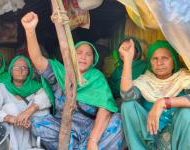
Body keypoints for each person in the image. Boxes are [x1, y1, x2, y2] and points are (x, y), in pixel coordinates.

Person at [21, 12, 125, 150]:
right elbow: (38, 60)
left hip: (91, 130)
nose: (83, 57)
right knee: (36, 123)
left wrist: (92, 141)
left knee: (119, 121)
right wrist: (30, 30)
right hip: (62, 128)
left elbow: (105, 110)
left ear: (93, 60)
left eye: (88, 54)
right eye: (79, 52)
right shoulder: (60, 73)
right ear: (71, 55)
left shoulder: (96, 78)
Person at [120, 40, 190, 150]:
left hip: (179, 136)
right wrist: (127, 60)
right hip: (151, 136)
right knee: (128, 105)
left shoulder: (184, 78)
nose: (159, 63)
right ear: (150, 62)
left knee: (189, 114)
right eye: (155, 59)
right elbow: (126, 96)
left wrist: (163, 102)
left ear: (173, 60)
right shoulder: (145, 80)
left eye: (165, 58)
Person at [0, 56, 51, 150]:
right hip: (13, 139)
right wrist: (11, 118)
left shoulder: (36, 87)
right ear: (10, 70)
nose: (20, 71)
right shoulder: (2, 87)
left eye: (24, 68)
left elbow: (47, 98)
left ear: (29, 71)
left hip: (32, 135)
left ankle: (36, 146)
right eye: (16, 68)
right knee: (9, 108)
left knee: (42, 108)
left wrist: (28, 112)